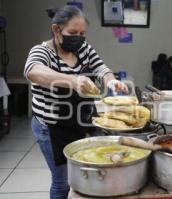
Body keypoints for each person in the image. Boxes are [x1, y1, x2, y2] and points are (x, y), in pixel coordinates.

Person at [24, 6, 128, 199]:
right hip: (52, 128)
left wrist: (110, 80)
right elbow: (33, 70)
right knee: (62, 181)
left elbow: (101, 68)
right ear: (56, 30)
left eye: (82, 33)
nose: (79, 38)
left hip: (80, 122)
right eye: (73, 33)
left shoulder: (84, 49)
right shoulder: (42, 51)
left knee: (83, 173)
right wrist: (72, 80)